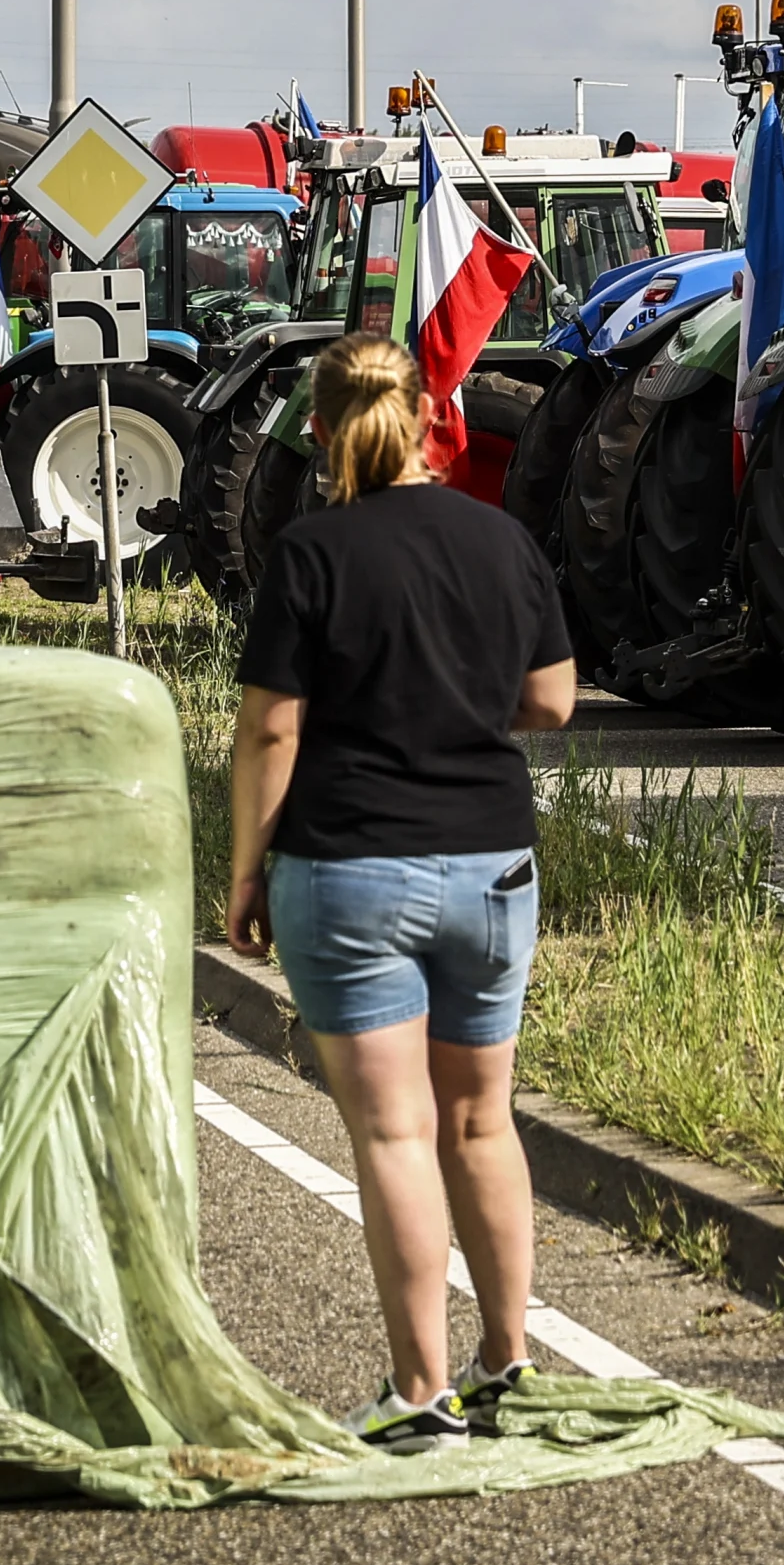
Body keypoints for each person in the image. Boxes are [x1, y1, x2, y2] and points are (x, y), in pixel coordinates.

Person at [225, 335, 578, 1451]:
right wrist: (457, 712)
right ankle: (507, 1365)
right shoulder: (502, 540)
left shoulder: (311, 552)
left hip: (351, 869)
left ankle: (421, 1394)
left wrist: (244, 868)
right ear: (433, 423)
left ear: (321, 433)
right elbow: (554, 701)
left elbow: (274, 725)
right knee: (482, 1120)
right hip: (494, 869)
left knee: (393, 1135)